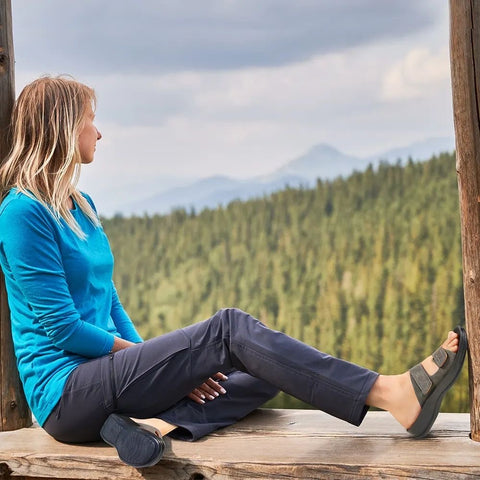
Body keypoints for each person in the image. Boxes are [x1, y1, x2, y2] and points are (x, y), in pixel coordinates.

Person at [0, 76, 468, 469]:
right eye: (89, 120)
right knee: (229, 330)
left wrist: (157, 369)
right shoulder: (23, 213)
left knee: (265, 369)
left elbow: (110, 299)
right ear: (62, 128)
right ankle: (390, 393)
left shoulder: (81, 206)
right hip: (66, 392)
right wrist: (162, 366)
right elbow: (62, 329)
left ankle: (154, 425)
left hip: (107, 378)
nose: (98, 133)